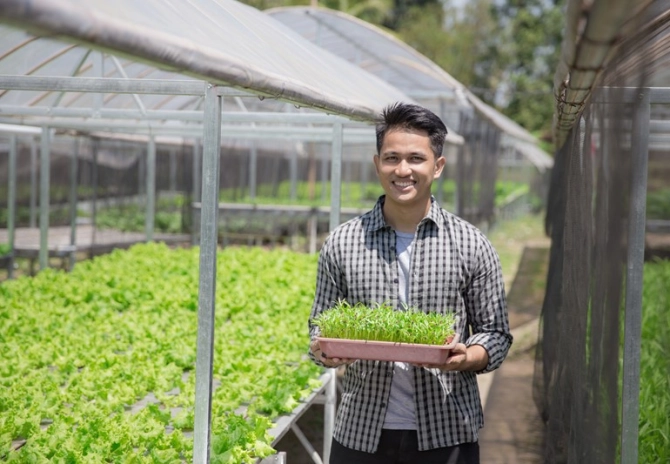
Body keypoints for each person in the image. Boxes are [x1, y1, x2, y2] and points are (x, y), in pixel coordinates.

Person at [308, 102, 512, 464]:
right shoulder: (342, 242)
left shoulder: (471, 243)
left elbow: (495, 334)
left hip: (447, 429)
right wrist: (323, 351)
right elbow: (319, 327)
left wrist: (467, 357)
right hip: (361, 430)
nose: (402, 170)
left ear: (438, 166)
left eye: (416, 159)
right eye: (391, 158)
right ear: (377, 165)